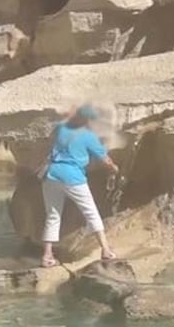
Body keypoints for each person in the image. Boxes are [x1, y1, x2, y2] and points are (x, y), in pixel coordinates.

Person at [39, 104, 120, 267]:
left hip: (52, 174)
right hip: (73, 176)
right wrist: (114, 168)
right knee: (91, 212)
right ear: (87, 120)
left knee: (53, 215)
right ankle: (106, 250)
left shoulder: (61, 128)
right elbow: (105, 159)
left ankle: (47, 256)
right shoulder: (88, 136)